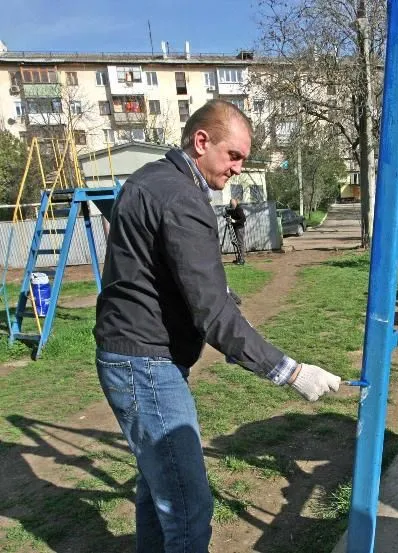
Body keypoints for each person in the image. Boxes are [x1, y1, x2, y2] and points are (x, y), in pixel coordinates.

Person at [94, 99, 341, 552]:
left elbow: (165, 277)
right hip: (145, 363)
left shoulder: (150, 180)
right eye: (234, 156)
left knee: (159, 491)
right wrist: (290, 371)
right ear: (201, 141)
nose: (238, 169)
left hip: (136, 353)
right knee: (187, 507)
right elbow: (212, 315)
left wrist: (222, 297)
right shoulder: (180, 197)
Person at [225, 198, 247, 265]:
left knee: (240, 244)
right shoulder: (232, 209)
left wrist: (235, 221)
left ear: (236, 203)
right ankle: (239, 258)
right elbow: (227, 214)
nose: (232, 206)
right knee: (236, 244)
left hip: (239, 228)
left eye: (233, 204)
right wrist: (226, 213)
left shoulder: (239, 209)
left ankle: (242, 259)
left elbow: (243, 219)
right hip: (235, 228)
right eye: (231, 204)